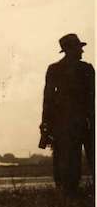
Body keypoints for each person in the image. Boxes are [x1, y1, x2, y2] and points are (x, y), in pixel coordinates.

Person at [41, 33, 95, 196]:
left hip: (65, 124)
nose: (82, 51)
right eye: (79, 48)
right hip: (84, 122)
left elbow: (48, 100)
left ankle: (69, 197)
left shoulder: (54, 69)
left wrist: (46, 125)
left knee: (68, 165)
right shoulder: (86, 69)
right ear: (71, 49)